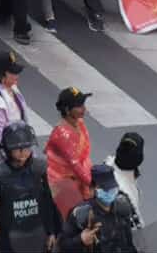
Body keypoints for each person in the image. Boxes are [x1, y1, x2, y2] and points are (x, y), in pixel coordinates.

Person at [0, 122, 60, 253]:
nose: (23, 153)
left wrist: (52, 232)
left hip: (38, 235)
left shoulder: (40, 169)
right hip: (8, 238)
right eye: (18, 149)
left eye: (26, 148)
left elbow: (49, 203)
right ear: (7, 148)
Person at [59, 164, 139, 252]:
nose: (109, 192)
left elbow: (129, 242)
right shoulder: (81, 213)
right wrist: (80, 240)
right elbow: (63, 245)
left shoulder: (122, 206)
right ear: (92, 189)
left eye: (112, 187)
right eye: (104, 189)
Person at [46, 87, 94, 219]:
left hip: (79, 178)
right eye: (79, 106)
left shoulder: (79, 123)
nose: (84, 109)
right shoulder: (62, 134)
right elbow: (75, 165)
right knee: (73, 218)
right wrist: (93, 183)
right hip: (63, 184)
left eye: (83, 104)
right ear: (67, 110)